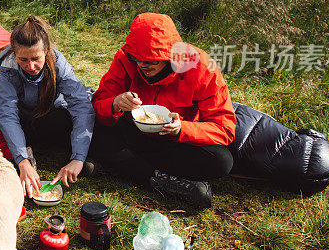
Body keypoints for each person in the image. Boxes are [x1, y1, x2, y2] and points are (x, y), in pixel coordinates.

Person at [89, 13, 235, 208]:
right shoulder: (125, 59)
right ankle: (158, 179)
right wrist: (115, 103)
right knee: (86, 129)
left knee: (221, 161)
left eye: (151, 61)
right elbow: (99, 105)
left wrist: (182, 129)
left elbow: (224, 127)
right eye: (137, 59)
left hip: (174, 142)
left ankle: (123, 165)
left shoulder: (201, 68)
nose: (142, 65)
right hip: (131, 132)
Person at [0, 16, 95, 197]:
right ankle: (14, 151)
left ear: (47, 50)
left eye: (36, 58)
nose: (30, 66)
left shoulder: (58, 64)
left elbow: (81, 106)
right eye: (23, 60)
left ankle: (67, 151)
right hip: (19, 120)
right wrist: (23, 162)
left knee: (64, 119)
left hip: (45, 119)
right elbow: (6, 113)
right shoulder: (8, 68)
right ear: (14, 54)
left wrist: (78, 158)